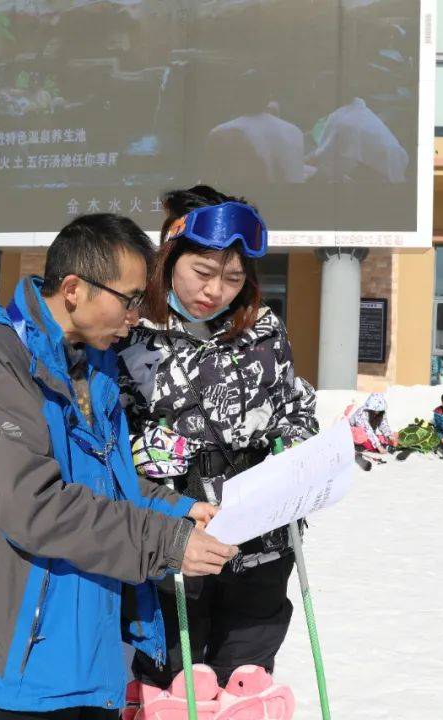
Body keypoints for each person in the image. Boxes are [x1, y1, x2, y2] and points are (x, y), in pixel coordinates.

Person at [0, 213, 237, 720]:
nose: (136, 315)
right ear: (74, 288)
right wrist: (166, 542)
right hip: (24, 660)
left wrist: (182, 511)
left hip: (92, 651)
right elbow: (34, 507)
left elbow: (107, 474)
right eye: (130, 298)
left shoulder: (91, 361)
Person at [118, 185, 319, 690]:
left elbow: (295, 404)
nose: (216, 291)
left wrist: (296, 442)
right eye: (202, 273)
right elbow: (102, 429)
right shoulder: (133, 331)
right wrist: (143, 449)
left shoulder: (264, 329)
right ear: (168, 260)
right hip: (174, 528)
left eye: (232, 278)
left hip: (262, 531)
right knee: (177, 676)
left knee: (246, 673)